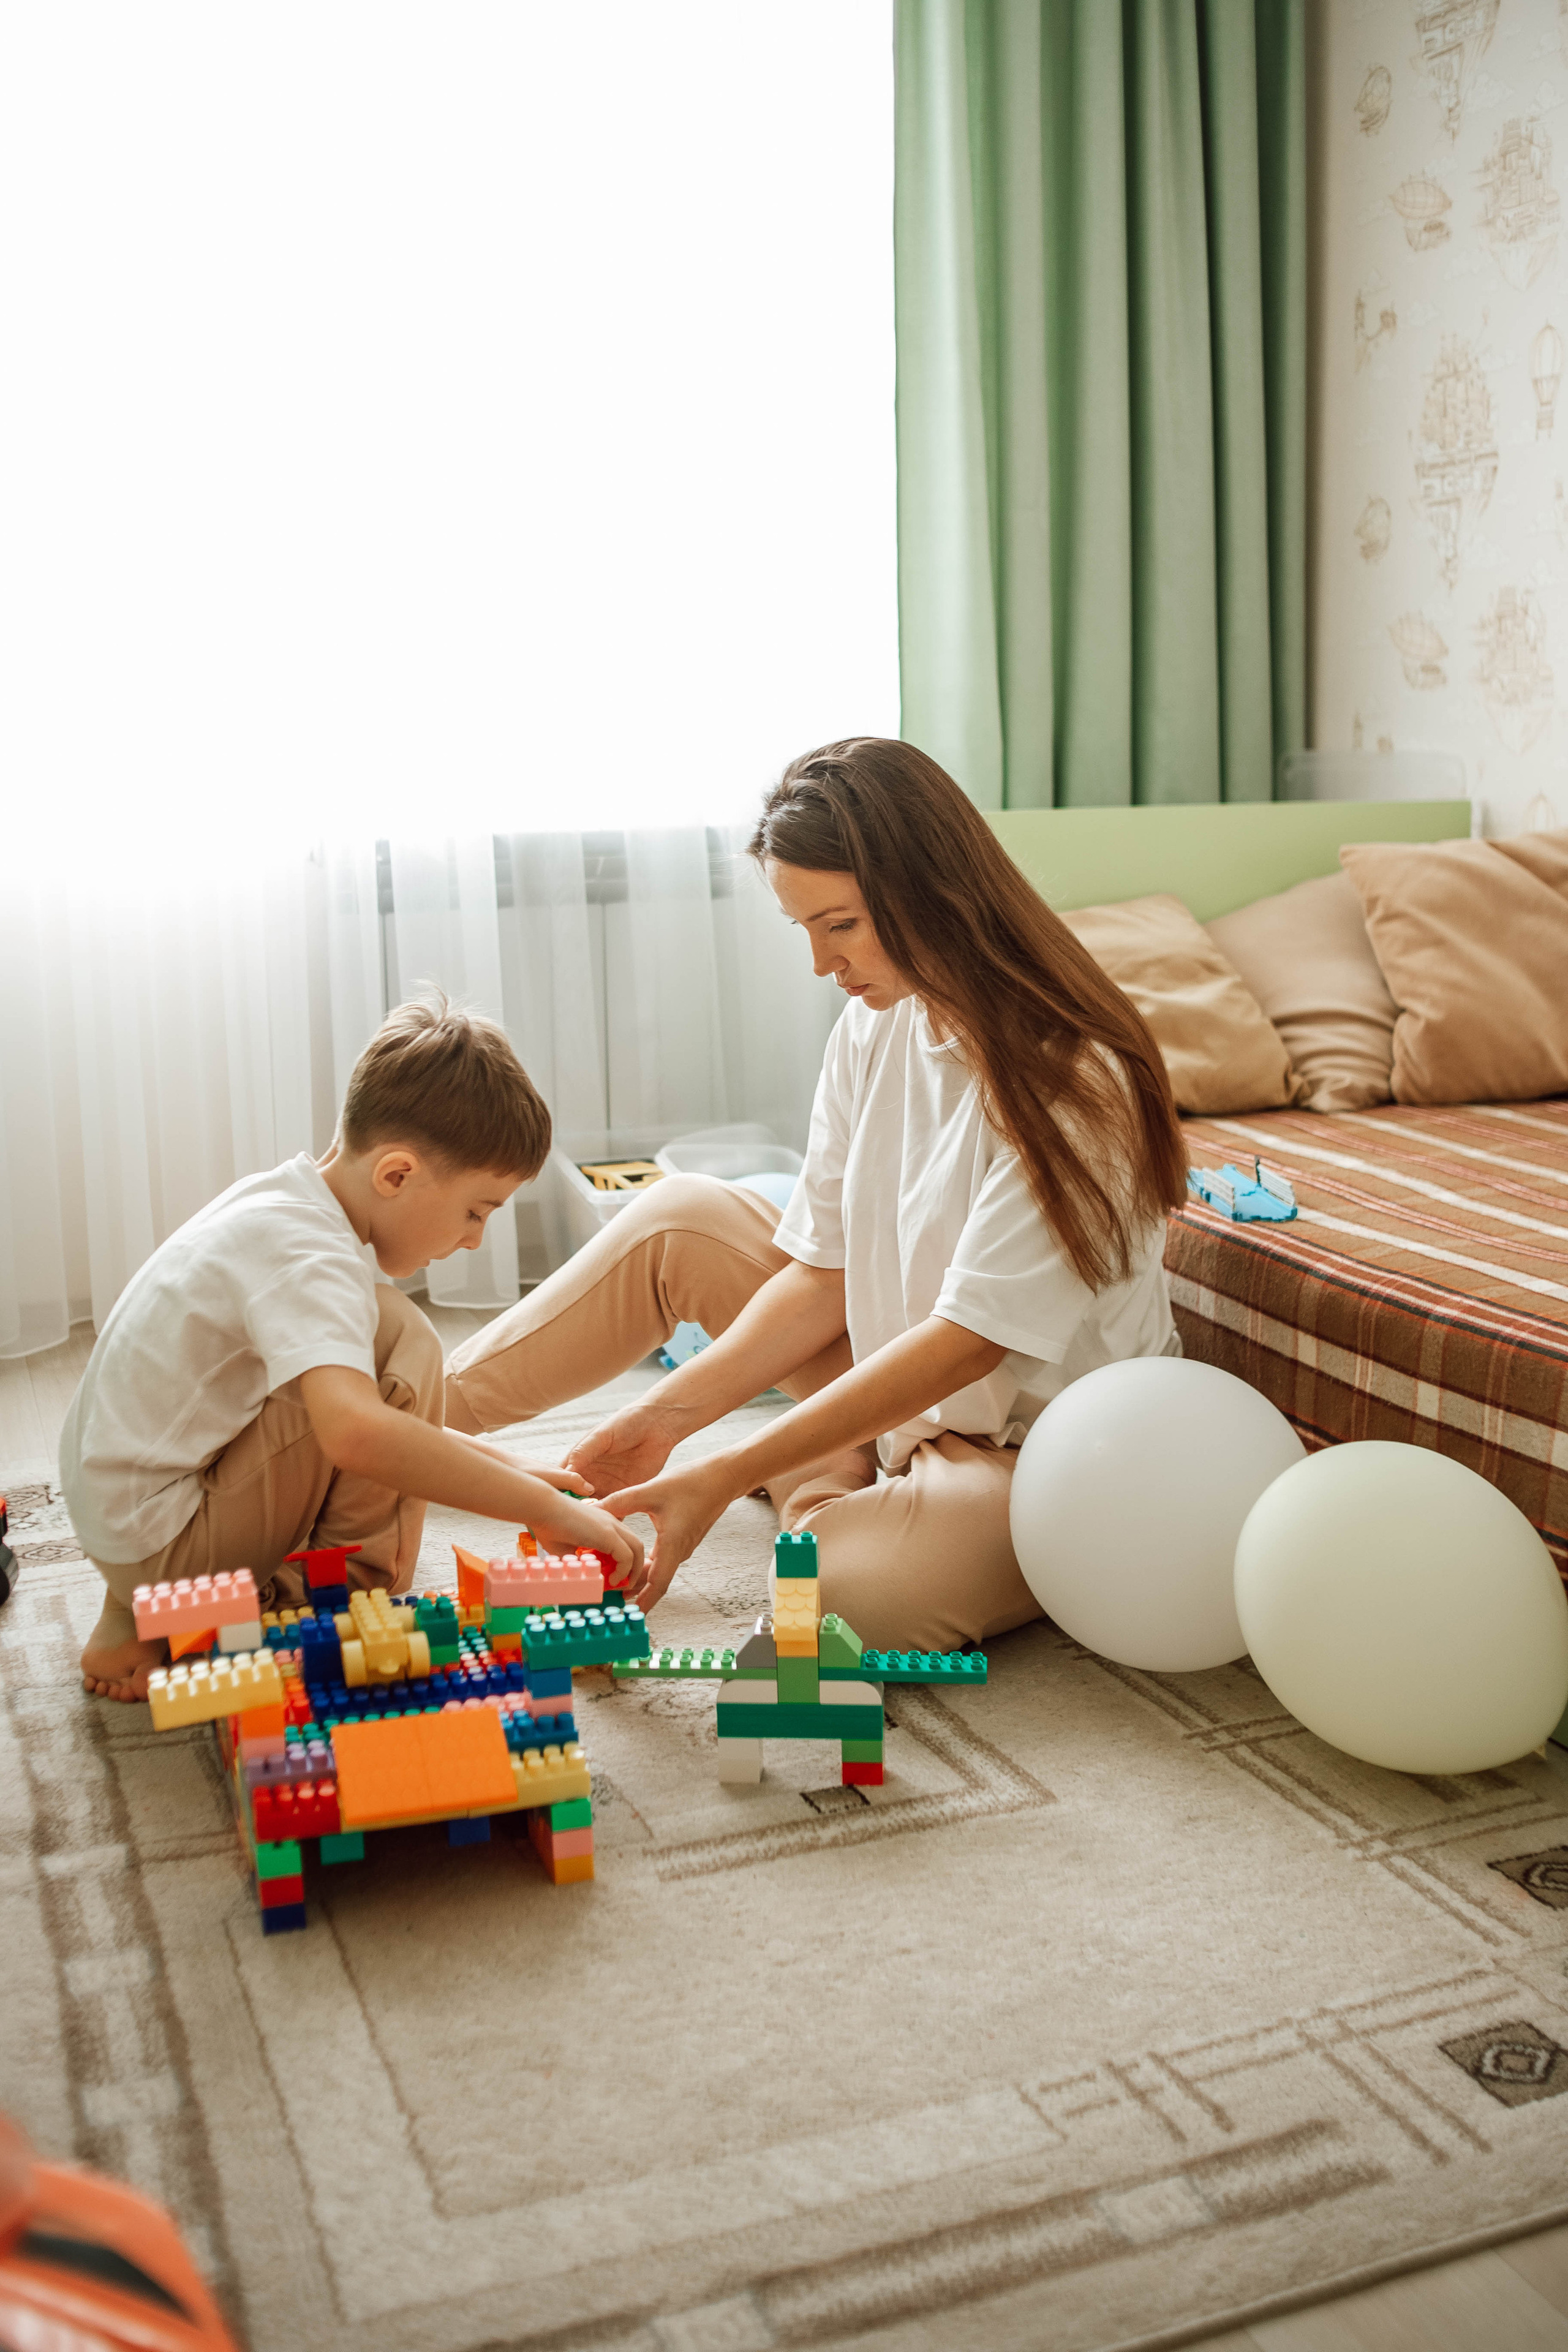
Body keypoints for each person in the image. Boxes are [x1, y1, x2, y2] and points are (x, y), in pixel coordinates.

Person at [444, 738, 1186, 1653]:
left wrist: (724, 1468)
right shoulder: (876, 1027)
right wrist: (660, 1422)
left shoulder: (1080, 1081)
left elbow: (966, 1347)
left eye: (840, 926)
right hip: (895, 1382)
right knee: (681, 1216)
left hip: (1026, 1451)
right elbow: (820, 1276)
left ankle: (820, 1472)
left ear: (932, 890)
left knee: (835, 1594)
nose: (821, 964)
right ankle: (400, 1421)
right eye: (804, 930)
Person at [66, 999, 643, 1702]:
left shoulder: (281, 1204)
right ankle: (276, 1605)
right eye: (476, 1211)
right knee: (403, 1354)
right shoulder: (313, 1259)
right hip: (164, 1544)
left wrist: (519, 1471)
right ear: (396, 1175)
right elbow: (360, 1433)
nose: (474, 1241)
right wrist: (542, 1509)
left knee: (386, 1338)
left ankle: (138, 1611)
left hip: (131, 1527)